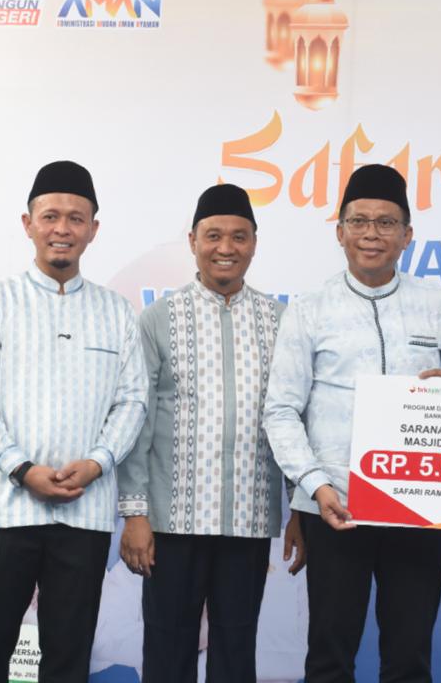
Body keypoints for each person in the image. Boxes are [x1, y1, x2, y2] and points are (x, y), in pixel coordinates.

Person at [262, 164, 441, 683]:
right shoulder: (310, 309)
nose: (371, 234)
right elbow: (281, 410)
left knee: (409, 657)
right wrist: (315, 486)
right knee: (329, 655)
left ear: (407, 235)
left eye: (386, 223)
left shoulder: (436, 304)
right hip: (335, 505)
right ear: (339, 232)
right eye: (359, 221)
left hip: (420, 505)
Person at [0, 160, 147, 683]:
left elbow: (133, 402)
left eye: (76, 218)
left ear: (93, 230)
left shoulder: (115, 312)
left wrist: (97, 463)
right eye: (51, 216)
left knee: (68, 661)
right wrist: (21, 468)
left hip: (83, 513)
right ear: (28, 224)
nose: (63, 228)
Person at [117, 183, 305, 683]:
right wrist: (135, 514)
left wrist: (299, 508)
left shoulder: (280, 322)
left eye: (239, 236)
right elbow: (137, 422)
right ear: (193, 241)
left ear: (254, 243)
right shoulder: (158, 320)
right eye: (213, 235)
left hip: (248, 519)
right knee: (167, 647)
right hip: (172, 522)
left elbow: (291, 418)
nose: (226, 247)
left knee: (236, 650)